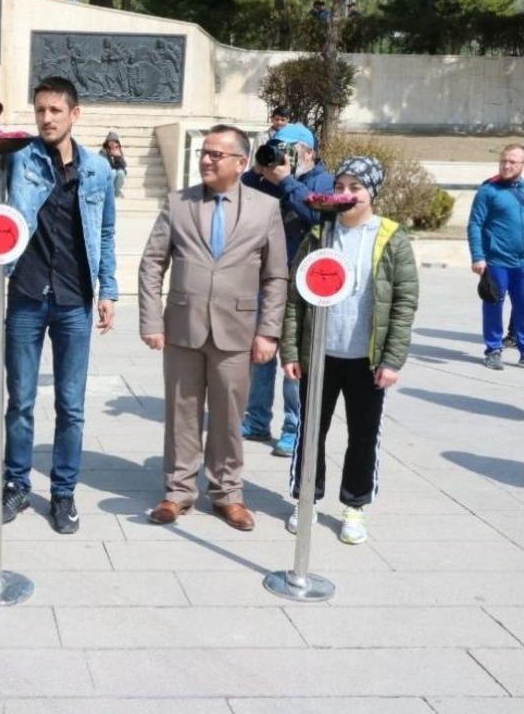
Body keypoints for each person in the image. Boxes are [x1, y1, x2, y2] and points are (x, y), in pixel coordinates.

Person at [0, 74, 118, 534]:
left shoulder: (98, 169)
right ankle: (16, 484)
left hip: (75, 299)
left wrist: (108, 290)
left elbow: (106, 231)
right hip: (27, 295)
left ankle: (64, 492)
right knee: (21, 400)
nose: (46, 118)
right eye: (40, 110)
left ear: (74, 114)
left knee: (71, 405)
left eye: (55, 110)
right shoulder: (21, 154)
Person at [138, 125, 287, 532]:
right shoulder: (179, 203)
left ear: (241, 162)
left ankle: (228, 494)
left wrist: (268, 330)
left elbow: (276, 276)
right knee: (181, 413)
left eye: (216, 154)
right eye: (204, 152)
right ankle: (178, 491)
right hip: (182, 327)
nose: (206, 160)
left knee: (228, 417)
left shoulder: (265, 208)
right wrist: (151, 319)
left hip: (237, 331)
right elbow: (152, 263)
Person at [282, 156, 419, 544]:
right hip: (319, 356)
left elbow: (404, 302)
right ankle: (305, 499)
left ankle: (355, 507)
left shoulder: (391, 237)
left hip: (366, 359)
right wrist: (290, 351)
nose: (346, 194)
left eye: (355, 188)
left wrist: (392, 359)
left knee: (363, 434)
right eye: (340, 187)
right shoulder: (319, 234)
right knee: (311, 432)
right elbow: (295, 297)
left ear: (371, 192)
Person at [239, 122, 334, 457]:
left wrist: (286, 181)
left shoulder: (323, 181)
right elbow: (241, 193)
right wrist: (258, 169)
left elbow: (318, 215)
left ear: (307, 152)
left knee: (294, 360)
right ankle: (256, 419)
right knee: (260, 353)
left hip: (303, 284)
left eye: (286, 150)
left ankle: (294, 428)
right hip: (268, 279)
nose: (280, 156)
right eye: (276, 149)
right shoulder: (268, 178)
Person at [467, 143, 524, 370]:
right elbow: (475, 224)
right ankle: (493, 350)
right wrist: (478, 256)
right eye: (503, 161)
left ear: (522, 165)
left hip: (522, 263)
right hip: (496, 261)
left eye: (512, 162)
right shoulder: (488, 191)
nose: (506, 165)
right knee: (493, 304)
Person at [248, 106, 291, 171]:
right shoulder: (262, 137)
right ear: (272, 119)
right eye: (277, 119)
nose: (279, 122)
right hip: (265, 172)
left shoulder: (290, 137)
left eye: (283, 120)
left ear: (287, 120)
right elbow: (255, 157)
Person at [100, 130, 127, 198]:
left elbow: (124, 165)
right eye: (110, 141)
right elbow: (103, 165)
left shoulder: (119, 150)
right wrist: (110, 155)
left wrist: (118, 157)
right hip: (107, 172)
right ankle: (109, 192)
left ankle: (117, 191)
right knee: (113, 172)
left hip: (117, 171)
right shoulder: (103, 151)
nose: (112, 143)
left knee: (121, 173)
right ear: (107, 142)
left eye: (114, 141)